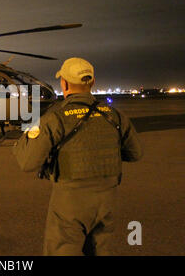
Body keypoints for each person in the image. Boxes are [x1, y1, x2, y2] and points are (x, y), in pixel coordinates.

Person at [13, 57, 143, 256]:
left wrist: (24, 140)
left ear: (64, 83)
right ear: (92, 83)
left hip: (70, 202)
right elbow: (135, 153)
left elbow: (27, 162)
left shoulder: (55, 118)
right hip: (107, 200)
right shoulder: (114, 116)